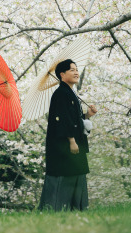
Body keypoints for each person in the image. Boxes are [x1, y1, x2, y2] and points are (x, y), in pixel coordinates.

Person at [38, 58, 97, 211]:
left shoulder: (70, 93)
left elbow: (73, 120)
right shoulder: (60, 94)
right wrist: (71, 140)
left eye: (76, 69)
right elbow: (61, 120)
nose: (76, 72)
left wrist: (87, 115)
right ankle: (56, 208)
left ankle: (75, 209)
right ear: (62, 74)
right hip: (64, 144)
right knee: (63, 177)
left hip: (73, 141)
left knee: (76, 174)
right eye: (72, 70)